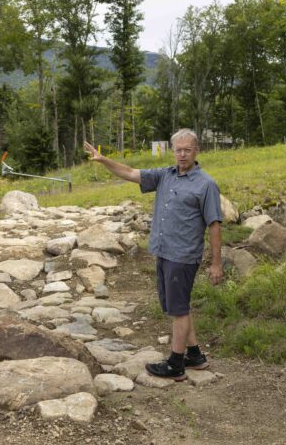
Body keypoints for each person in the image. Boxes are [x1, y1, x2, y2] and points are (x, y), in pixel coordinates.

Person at [83, 128, 223, 380]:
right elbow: (128, 172)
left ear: (196, 151)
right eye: (178, 150)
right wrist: (103, 160)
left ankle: (176, 364)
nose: (182, 155)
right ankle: (195, 355)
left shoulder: (206, 184)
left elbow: (214, 224)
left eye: (187, 150)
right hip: (164, 252)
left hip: (183, 256)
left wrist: (216, 263)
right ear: (173, 151)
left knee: (179, 310)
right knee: (177, 306)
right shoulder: (164, 176)